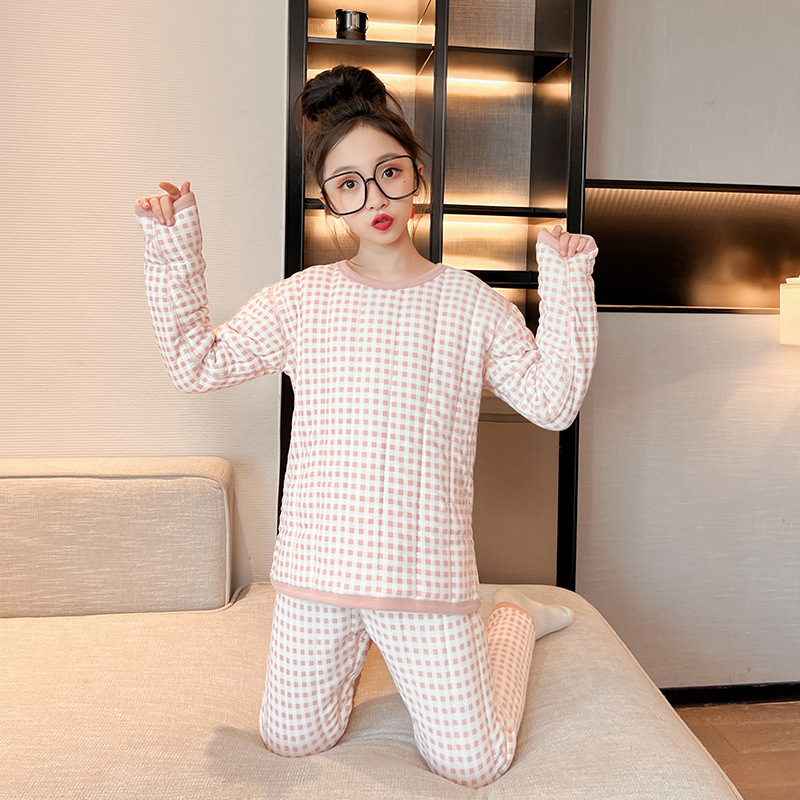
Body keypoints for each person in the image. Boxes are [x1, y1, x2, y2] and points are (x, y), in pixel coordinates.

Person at [134, 64, 598, 788]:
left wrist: (567, 282)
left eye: (389, 173)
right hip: (317, 575)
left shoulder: (470, 304)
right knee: (291, 741)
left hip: (427, 575)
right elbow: (198, 364)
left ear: (417, 173)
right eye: (349, 184)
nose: (375, 198)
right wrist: (172, 247)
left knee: (473, 763)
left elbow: (554, 402)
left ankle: (510, 620)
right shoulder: (302, 300)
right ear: (328, 200)